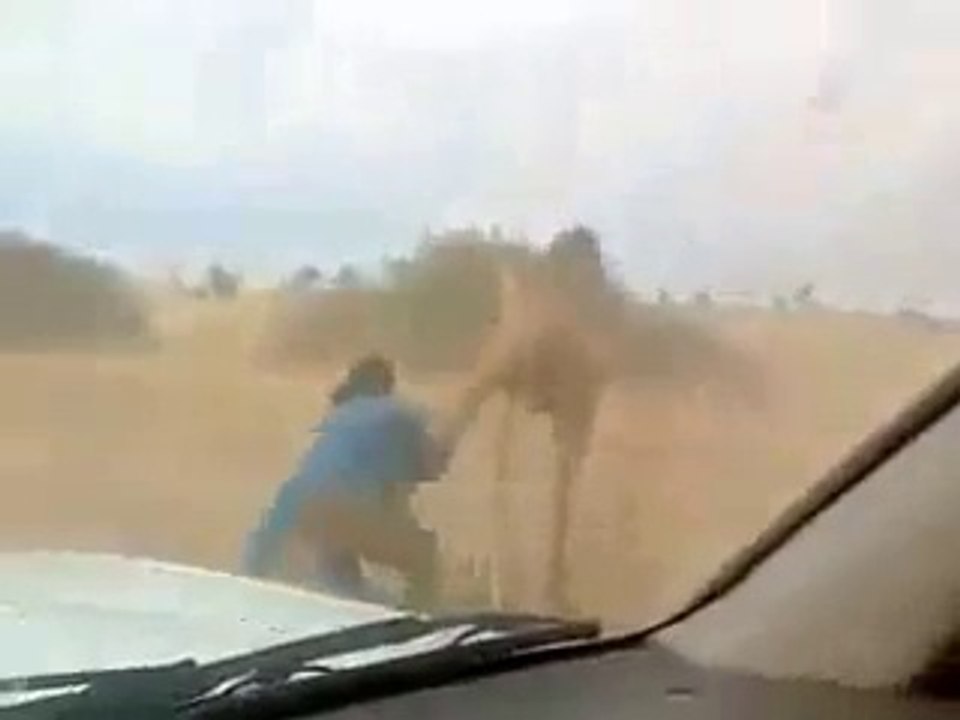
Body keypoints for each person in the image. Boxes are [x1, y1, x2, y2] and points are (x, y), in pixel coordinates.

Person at [242, 354, 447, 609]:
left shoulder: (334, 420)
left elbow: (291, 496)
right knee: (424, 553)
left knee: (339, 569)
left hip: (309, 510)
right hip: (349, 507)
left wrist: (252, 569)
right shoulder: (400, 411)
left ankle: (355, 606)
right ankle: (421, 620)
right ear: (387, 384)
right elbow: (431, 466)